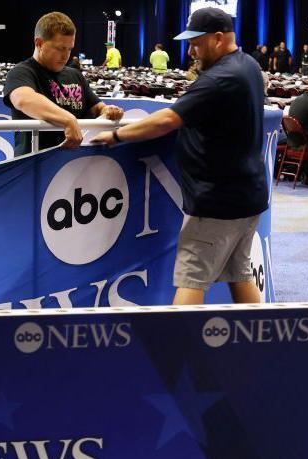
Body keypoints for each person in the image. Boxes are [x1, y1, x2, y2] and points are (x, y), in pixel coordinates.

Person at [90, 8, 267, 305]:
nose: (191, 50)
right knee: (240, 273)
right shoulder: (248, 65)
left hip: (217, 201)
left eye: (196, 43)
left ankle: (180, 347)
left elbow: (166, 121)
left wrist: (118, 135)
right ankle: (263, 342)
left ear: (219, 38)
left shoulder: (219, 79)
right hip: (249, 193)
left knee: (191, 277)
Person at [3, 12, 124, 156]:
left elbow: (96, 107)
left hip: (74, 166)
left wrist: (108, 110)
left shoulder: (75, 75)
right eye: (60, 48)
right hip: (35, 166)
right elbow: (23, 99)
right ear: (39, 43)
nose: (66, 55)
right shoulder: (22, 72)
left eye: (69, 49)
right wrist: (67, 119)